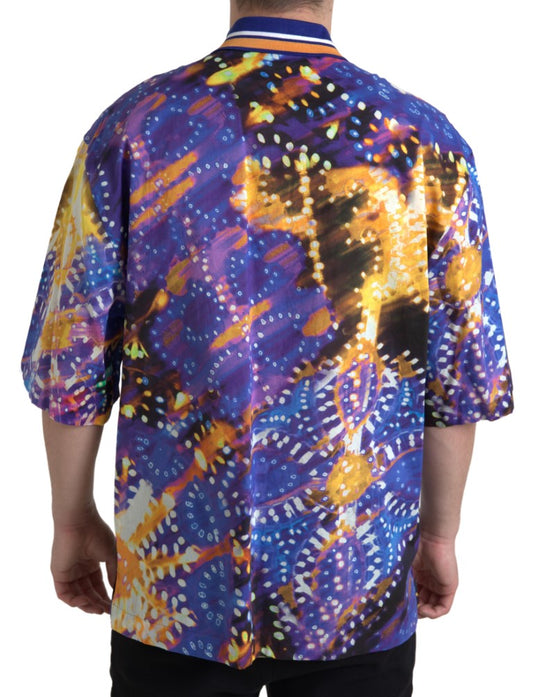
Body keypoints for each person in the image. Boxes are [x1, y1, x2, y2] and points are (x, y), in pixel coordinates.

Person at [21, 0, 514, 695]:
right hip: (355, 582)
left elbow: (71, 359)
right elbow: (457, 379)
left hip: (175, 584)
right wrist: (438, 534)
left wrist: (71, 519)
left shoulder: (132, 128)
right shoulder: (425, 144)